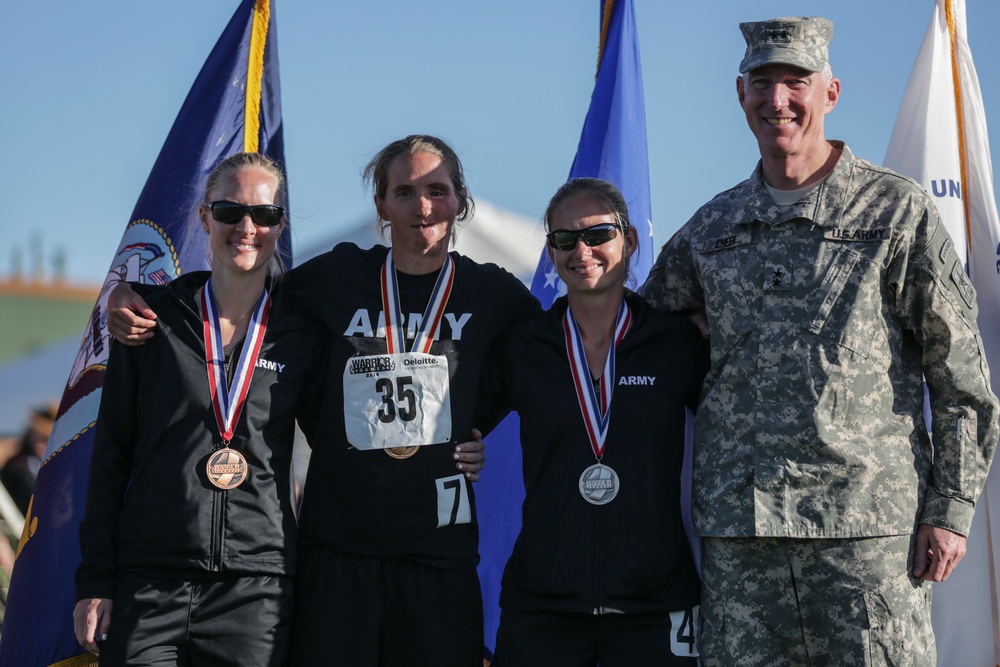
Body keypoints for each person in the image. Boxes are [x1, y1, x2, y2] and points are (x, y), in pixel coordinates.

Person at [639, 16, 999, 666]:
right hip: (743, 541)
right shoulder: (711, 229)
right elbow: (638, 341)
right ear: (741, 93)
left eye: (795, 80)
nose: (779, 99)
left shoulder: (896, 213)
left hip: (865, 538)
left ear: (830, 91)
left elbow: (962, 376)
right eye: (763, 82)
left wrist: (949, 507)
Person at [107, 135, 536, 666]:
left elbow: (540, 365)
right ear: (380, 204)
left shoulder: (495, 294)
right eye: (404, 191)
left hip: (437, 554)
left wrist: (471, 427)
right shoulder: (336, 277)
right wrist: (134, 297)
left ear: (460, 200)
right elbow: (244, 282)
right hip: (336, 551)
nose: (422, 207)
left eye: (437, 190)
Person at [72, 151, 328, 665]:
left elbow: (339, 447)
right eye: (230, 212)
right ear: (204, 217)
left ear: (281, 224)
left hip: (256, 591)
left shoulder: (303, 332)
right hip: (149, 583)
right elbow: (110, 458)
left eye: (265, 214)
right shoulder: (148, 320)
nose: (247, 227)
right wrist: (95, 579)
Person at [479, 178, 705, 666]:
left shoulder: (675, 344)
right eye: (564, 239)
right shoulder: (525, 347)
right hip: (544, 604)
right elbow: (462, 422)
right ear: (551, 251)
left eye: (598, 234)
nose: (582, 250)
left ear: (630, 240)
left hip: (654, 601)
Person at [0, 401, 56, 516]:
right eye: (38, 438)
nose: (39, 444)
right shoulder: (18, 466)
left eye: (46, 440)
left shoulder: (56, 466)